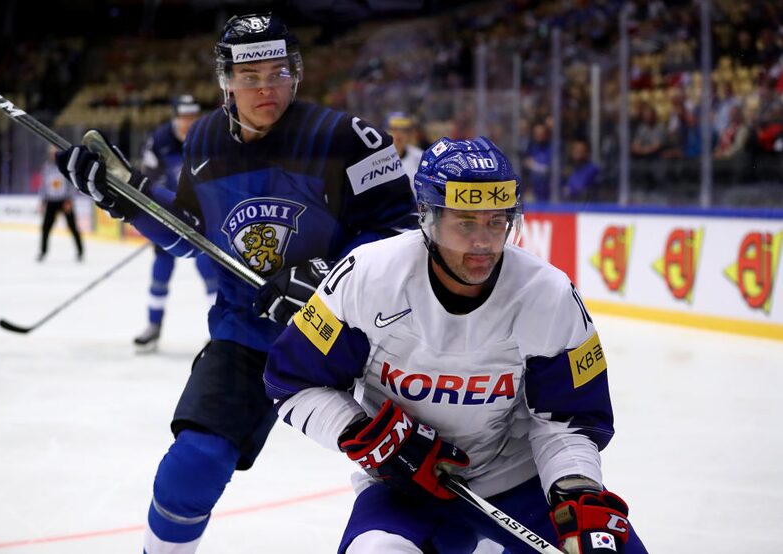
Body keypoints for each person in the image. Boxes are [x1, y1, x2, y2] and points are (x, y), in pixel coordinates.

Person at [55, 12, 415, 553]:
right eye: (250, 77)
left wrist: (329, 277)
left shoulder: (347, 138)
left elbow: (405, 231)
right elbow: (191, 236)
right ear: (226, 80)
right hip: (252, 333)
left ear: (296, 72)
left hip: (358, 339)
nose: (266, 88)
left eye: (278, 72)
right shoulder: (202, 141)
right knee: (191, 466)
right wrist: (124, 197)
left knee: (424, 482)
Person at [264, 137, 648, 554]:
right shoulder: (370, 277)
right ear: (428, 219)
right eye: (465, 222)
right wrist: (365, 435)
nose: (483, 242)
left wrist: (576, 491)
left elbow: (567, 420)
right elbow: (293, 383)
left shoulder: (547, 294)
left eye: (496, 221)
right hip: (403, 485)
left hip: (516, 478)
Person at [133, 95, 218, 352]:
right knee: (161, 271)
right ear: (175, 117)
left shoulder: (209, 138)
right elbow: (149, 181)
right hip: (168, 216)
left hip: (204, 219)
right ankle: (153, 326)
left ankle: (220, 334)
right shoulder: (159, 140)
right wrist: (162, 212)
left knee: (210, 272)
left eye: (193, 117)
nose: (188, 123)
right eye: (183, 117)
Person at [37, 145, 84, 262]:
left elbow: (71, 184)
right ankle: (43, 252)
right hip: (51, 202)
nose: (53, 155)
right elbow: (43, 186)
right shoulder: (46, 168)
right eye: (51, 153)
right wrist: (42, 202)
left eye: (55, 153)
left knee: (72, 227)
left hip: (64, 201)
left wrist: (69, 200)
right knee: (45, 228)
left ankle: (80, 251)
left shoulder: (65, 166)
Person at [384, 111, 423, 194]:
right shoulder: (376, 160)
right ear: (385, 131)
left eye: (404, 130)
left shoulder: (420, 157)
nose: (399, 134)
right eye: (394, 129)